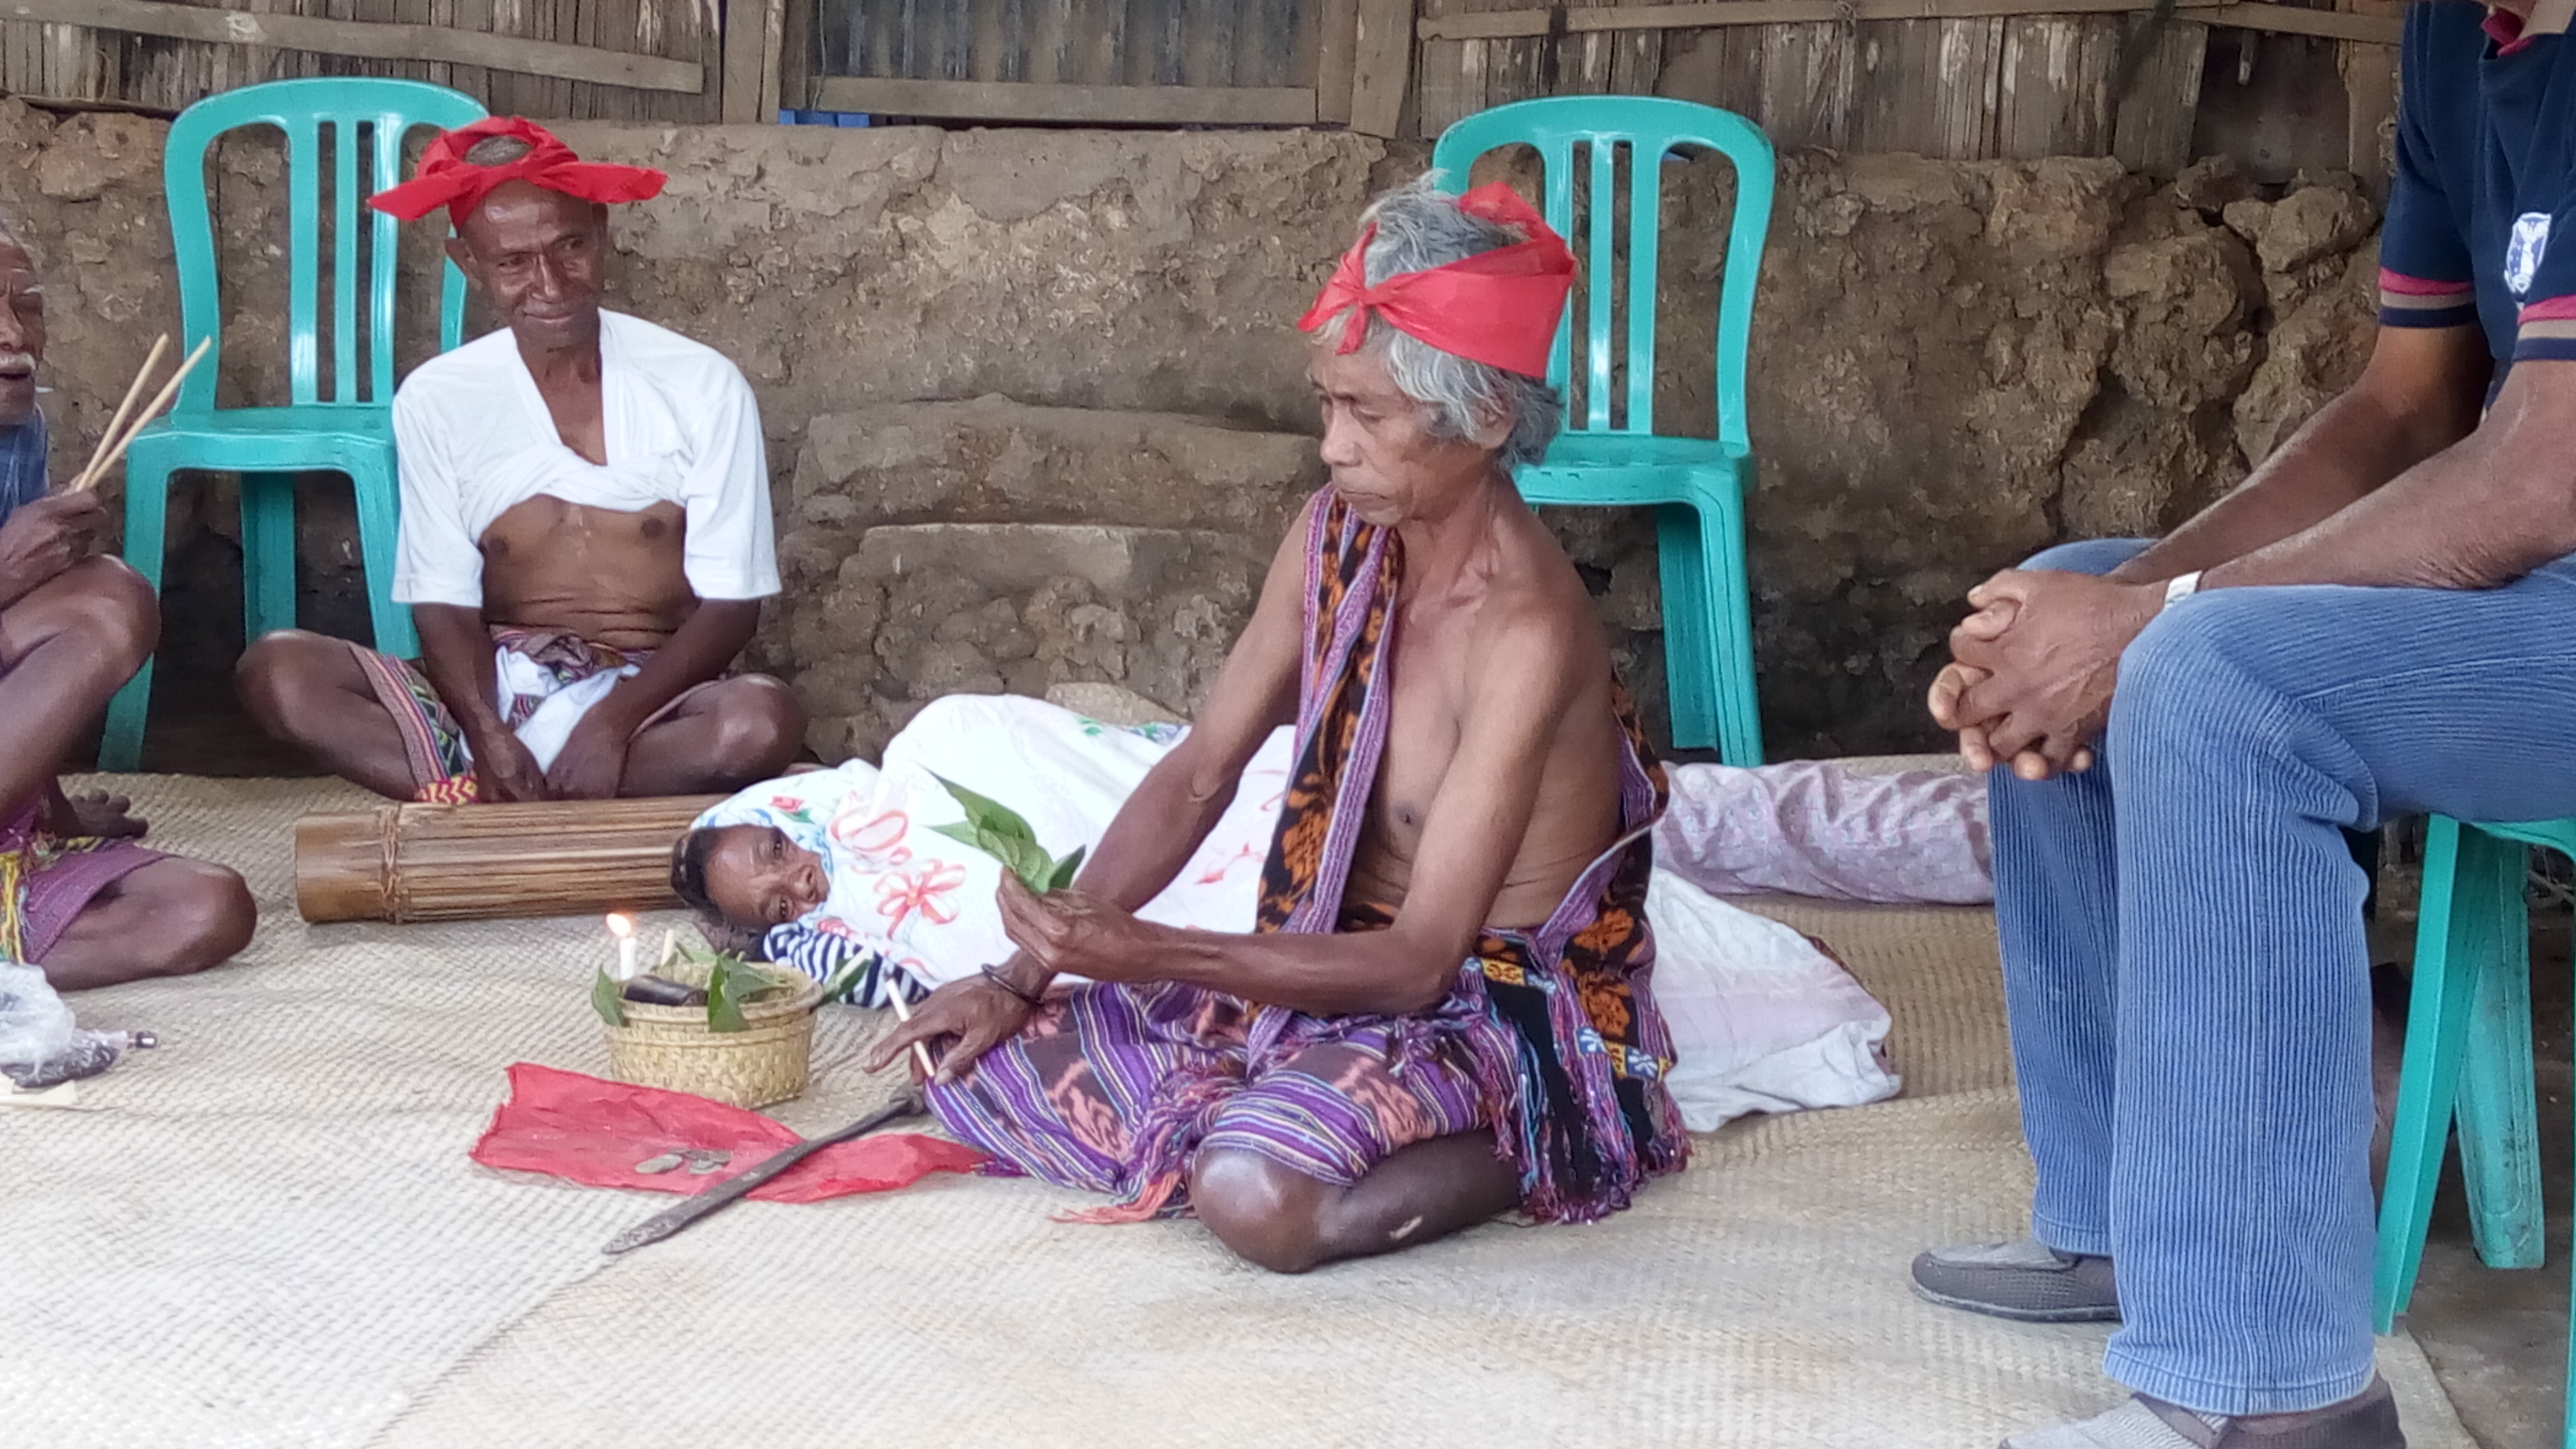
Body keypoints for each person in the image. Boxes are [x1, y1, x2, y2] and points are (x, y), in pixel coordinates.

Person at [1914, 4, 2576, 1443]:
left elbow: (2537, 477)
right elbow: (2405, 409)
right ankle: (2130, 1229)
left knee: (2212, 681)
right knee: (2079, 601)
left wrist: (2148, 629)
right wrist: (2102, 610)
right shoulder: (2462, 36)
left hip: (2551, 552)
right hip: (2542, 586)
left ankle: (2271, 1393)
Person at [864, 177, 1685, 1273]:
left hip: (1485, 1003)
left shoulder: (1524, 629)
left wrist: (1153, 952)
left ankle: (1558, 1120)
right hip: (1339, 972)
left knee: (1257, 1197)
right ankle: (1286, 1104)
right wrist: (1023, 974)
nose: (1333, 447)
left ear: (1486, 420)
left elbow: (1420, 962)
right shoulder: (1334, 533)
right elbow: (1201, 770)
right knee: (968, 1054)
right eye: (1326, 405)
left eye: (1369, 415)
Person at [236, 118, 803, 804]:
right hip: (498, 686)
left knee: (757, 721)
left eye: (570, 247)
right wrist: (486, 728)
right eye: (513, 263)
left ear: (600, 232)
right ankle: (522, 782)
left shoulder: (701, 384)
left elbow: (733, 605)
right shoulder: (439, 398)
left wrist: (611, 725)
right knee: (280, 671)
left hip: (649, 697)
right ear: (468, 264)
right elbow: (444, 600)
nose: (550, 283)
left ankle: (483, 797)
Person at [0, 228, 255, 989]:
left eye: (27, 306)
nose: (13, 335)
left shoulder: (19, 432)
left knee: (207, 908)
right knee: (108, 603)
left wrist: (54, 815)